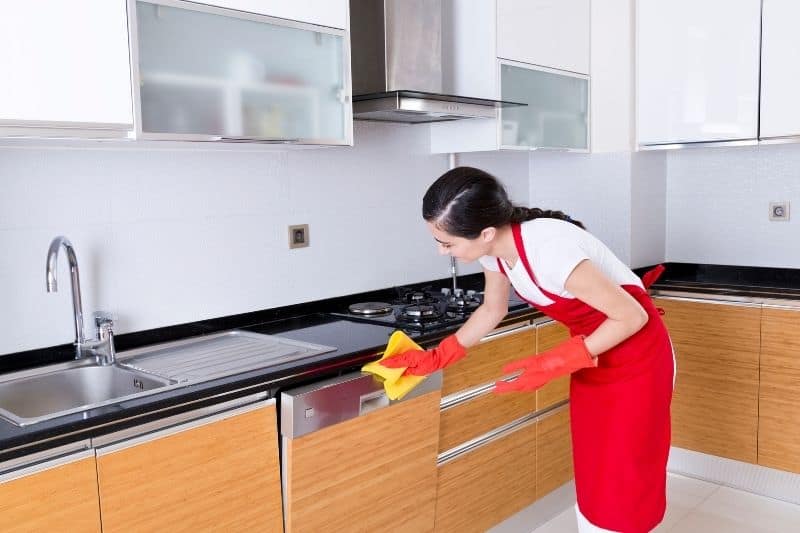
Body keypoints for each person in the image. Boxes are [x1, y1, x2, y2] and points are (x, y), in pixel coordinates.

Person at [381, 167, 674, 533]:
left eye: (448, 243)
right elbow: (492, 309)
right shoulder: (495, 250)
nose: (443, 251)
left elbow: (631, 317)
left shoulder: (548, 250)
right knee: (596, 467)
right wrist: (441, 354)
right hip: (593, 354)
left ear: (485, 232)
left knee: (625, 475)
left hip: (636, 357)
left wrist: (555, 361)